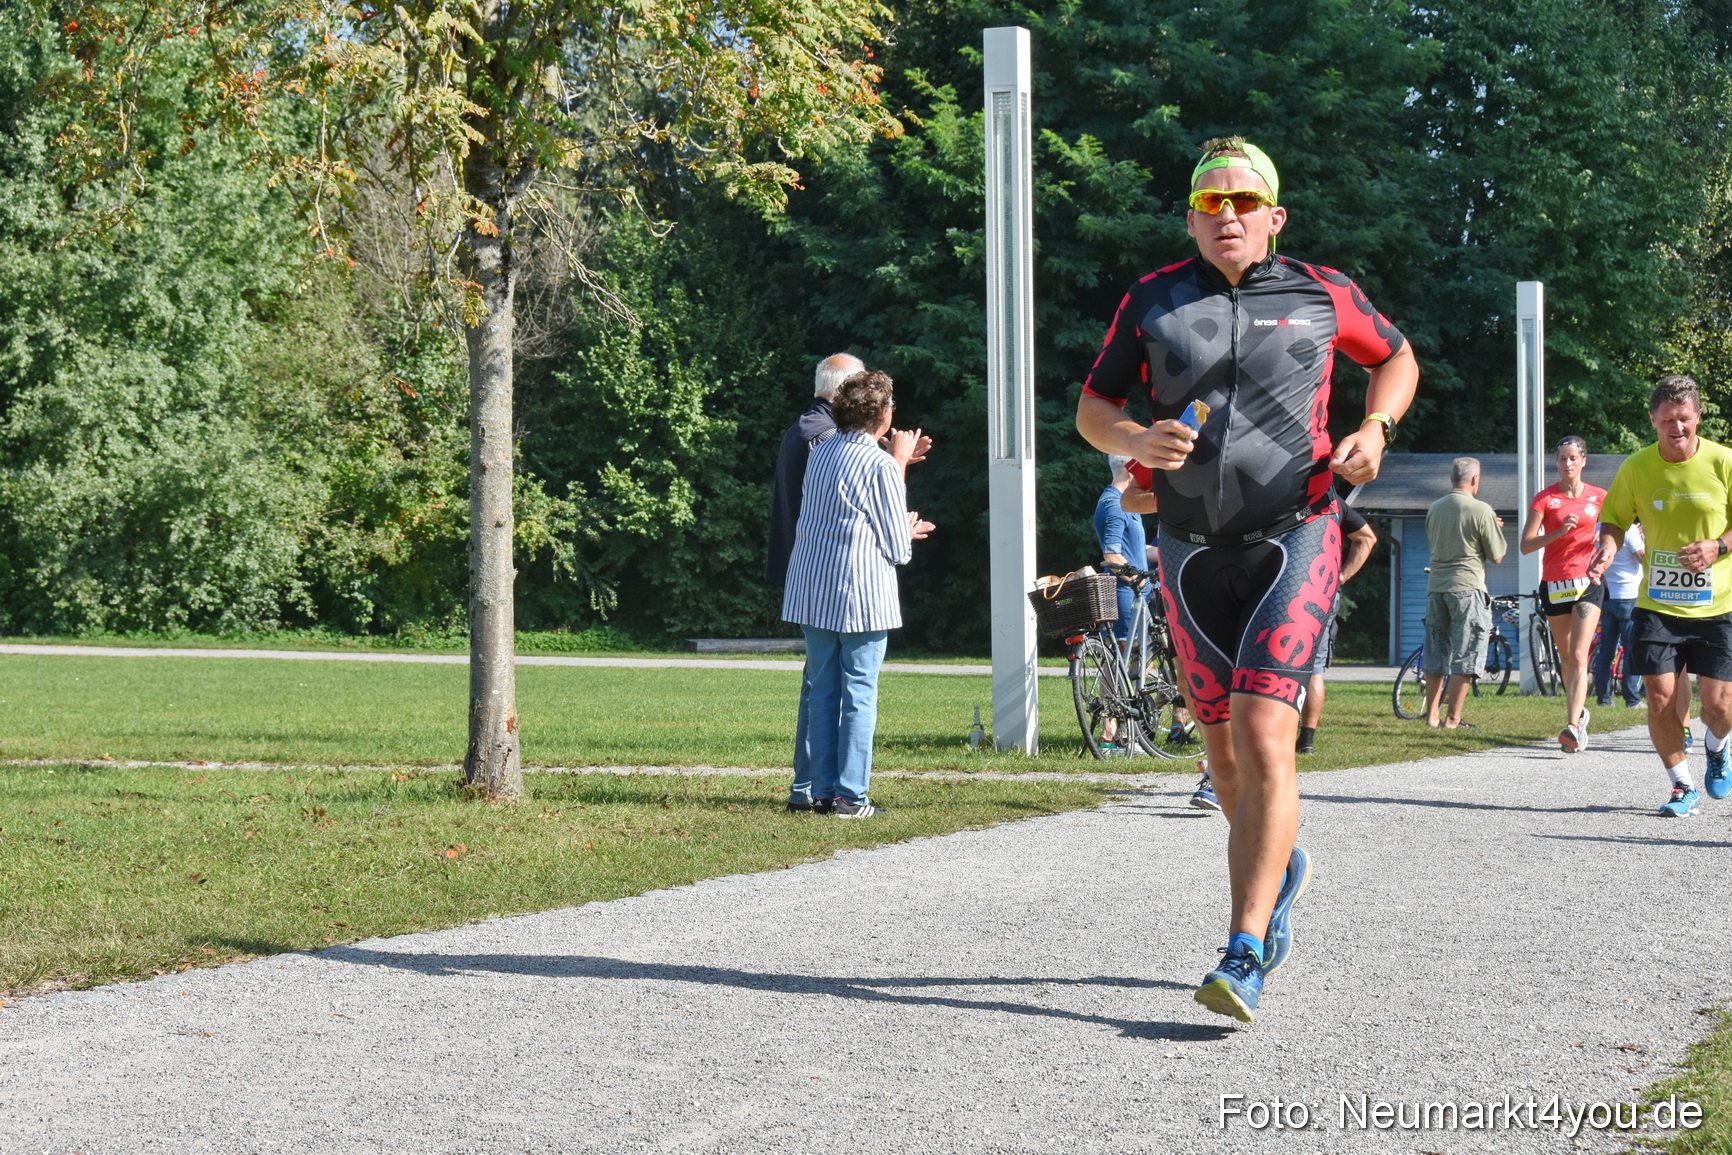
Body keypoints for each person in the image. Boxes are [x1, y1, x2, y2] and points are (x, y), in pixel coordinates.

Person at [1075, 136, 1418, 1023]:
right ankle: (1283, 866)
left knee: (1267, 735)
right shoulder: (1152, 299)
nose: (1226, 216)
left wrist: (1375, 429)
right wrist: (1132, 442)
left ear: (1275, 216)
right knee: (1224, 757)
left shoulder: (1322, 291)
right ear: (1191, 216)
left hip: (1293, 534)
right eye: (1209, 201)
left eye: (1242, 201)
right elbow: (1093, 407)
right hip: (1187, 550)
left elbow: (1396, 356)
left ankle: (1244, 946)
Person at [767, 354, 929, 812]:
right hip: (859, 594)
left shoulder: (823, 453)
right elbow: (898, 548)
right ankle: (851, 796)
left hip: (812, 590)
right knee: (859, 692)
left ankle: (820, 792)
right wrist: (905, 514)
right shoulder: (878, 464)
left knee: (822, 690)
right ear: (884, 415)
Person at [1588, 375, 1732, 818]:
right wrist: (1608, 546)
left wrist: (1718, 546)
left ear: (1699, 416)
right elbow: (1613, 518)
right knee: (1659, 699)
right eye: (1667, 419)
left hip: (1718, 605)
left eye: (1684, 419)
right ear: (1653, 419)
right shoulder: (1637, 467)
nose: (1677, 427)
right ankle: (1681, 787)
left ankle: (1717, 746)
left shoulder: (1724, 461)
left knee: (1719, 707)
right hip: (1658, 605)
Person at [1520, 436, 1607, 752]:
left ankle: (1572, 727)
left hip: (1588, 582)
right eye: (1561, 459)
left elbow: (1617, 532)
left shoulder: (1600, 497)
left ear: (1584, 460)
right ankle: (1580, 711)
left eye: (1573, 458)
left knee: (1580, 654)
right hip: (1554, 584)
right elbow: (1526, 545)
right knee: (1566, 656)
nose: (1567, 464)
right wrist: (1559, 533)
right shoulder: (1545, 498)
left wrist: (1605, 553)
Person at [1422, 457, 1506, 728]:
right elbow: (1497, 555)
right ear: (1475, 479)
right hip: (1467, 589)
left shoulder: (1435, 508)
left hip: (1437, 588)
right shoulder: (1482, 510)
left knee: (1437, 653)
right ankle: (1453, 719)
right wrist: (1494, 527)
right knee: (1466, 655)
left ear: (1451, 479)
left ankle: (1431, 716)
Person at [1296, 499, 1377, 754]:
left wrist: (1341, 576)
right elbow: (1367, 538)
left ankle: (1281, 738)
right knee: (1315, 668)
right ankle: (1306, 741)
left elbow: (1367, 539)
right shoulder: (1330, 501)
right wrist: (1339, 577)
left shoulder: (1278, 494)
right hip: (1321, 591)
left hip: (1285, 591)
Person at [1591, 521, 1646, 709]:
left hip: (1606, 595)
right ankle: (1632, 698)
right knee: (1632, 649)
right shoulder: (1627, 529)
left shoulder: (1597, 527)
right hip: (1628, 596)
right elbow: (1642, 557)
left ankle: (1604, 698)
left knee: (1606, 649)